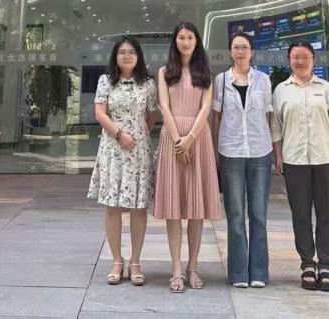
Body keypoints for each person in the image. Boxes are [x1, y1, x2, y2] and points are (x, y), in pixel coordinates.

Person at [271, 41, 329, 293]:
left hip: (325, 159)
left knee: (327, 214)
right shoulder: (281, 91)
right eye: (295, 57)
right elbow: (276, 128)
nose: (300, 61)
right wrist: (278, 156)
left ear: (313, 60)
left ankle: (326, 265)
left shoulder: (325, 89)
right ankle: (307, 263)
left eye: (305, 57)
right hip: (294, 160)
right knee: (301, 215)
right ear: (289, 60)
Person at [153, 21, 222, 294]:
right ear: (175, 41)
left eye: (190, 37)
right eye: (181, 37)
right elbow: (164, 106)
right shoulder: (164, 72)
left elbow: (206, 108)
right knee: (173, 208)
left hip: (198, 138)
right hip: (173, 139)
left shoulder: (205, 73)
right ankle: (176, 269)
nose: (185, 42)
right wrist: (177, 139)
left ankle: (193, 267)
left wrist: (190, 138)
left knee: (196, 208)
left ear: (197, 41)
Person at [88, 36, 158, 286]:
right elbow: (100, 113)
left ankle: (135, 261)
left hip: (138, 151)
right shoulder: (105, 80)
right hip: (113, 149)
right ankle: (117, 261)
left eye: (131, 52)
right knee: (112, 206)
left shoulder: (148, 84)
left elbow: (152, 116)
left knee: (139, 206)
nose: (127, 56)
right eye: (122, 52)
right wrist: (120, 134)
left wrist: (138, 136)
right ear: (115, 57)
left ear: (138, 56)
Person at [212, 31, 274, 288]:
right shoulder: (221, 80)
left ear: (252, 52)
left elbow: (268, 114)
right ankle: (238, 273)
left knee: (258, 213)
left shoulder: (263, 80)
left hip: (260, 151)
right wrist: (215, 151)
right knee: (235, 214)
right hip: (231, 151)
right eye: (236, 47)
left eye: (244, 47)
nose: (240, 51)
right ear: (230, 51)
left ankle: (258, 272)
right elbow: (216, 116)